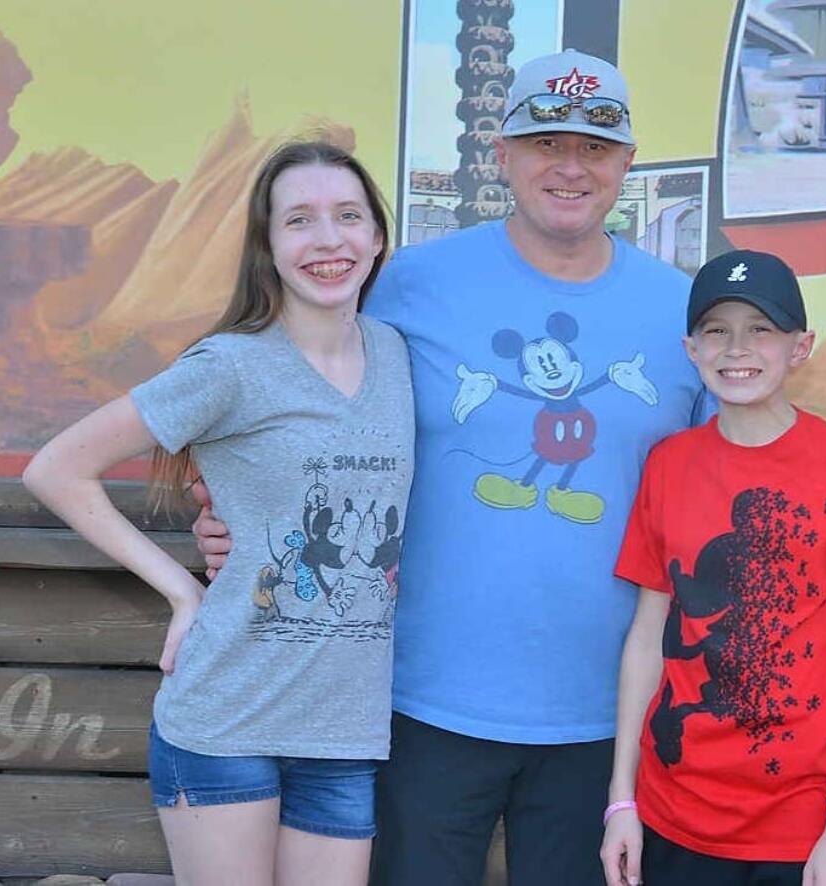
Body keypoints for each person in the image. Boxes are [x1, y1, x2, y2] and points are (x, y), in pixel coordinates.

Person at [193, 51, 707, 885]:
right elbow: (300, 405)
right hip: (419, 700)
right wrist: (233, 516)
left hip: (609, 713)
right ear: (500, 155)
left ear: (627, 164)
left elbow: (727, 482)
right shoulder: (408, 285)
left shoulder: (684, 310)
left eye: (596, 147)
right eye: (545, 143)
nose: (570, 166)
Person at [23, 141, 413, 886]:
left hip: (343, 732)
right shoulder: (231, 366)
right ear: (267, 247)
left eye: (348, 216)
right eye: (299, 220)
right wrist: (181, 588)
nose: (328, 239)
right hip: (227, 720)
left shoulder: (395, 354)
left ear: (376, 237)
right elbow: (58, 469)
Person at [601, 249, 826, 886]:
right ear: (691, 348)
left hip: (800, 820)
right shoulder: (668, 464)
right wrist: (621, 800)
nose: (737, 348)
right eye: (718, 330)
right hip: (672, 810)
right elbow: (646, 642)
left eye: (761, 329)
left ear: (800, 346)